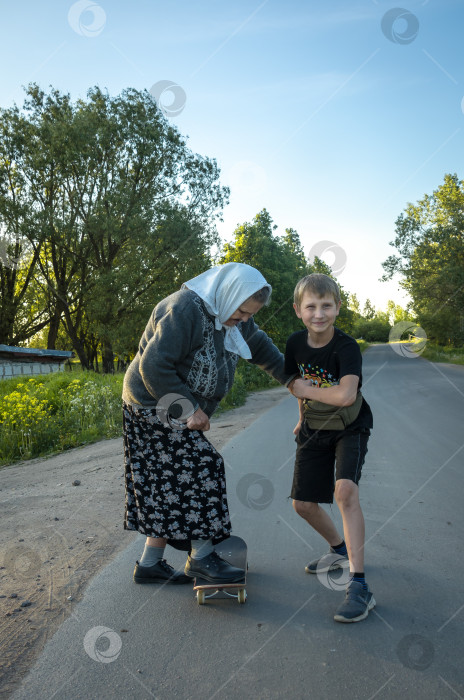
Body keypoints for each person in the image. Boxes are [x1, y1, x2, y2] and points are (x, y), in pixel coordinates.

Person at [122, 262, 293, 585]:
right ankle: (201, 558)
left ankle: (150, 563)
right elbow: (154, 366)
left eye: (247, 315)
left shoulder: (233, 313)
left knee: (168, 484)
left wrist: (292, 380)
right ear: (228, 294)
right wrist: (189, 409)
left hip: (173, 405)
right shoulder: (184, 308)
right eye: (240, 312)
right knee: (204, 467)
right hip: (151, 404)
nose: (242, 320)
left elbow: (257, 345)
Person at [286, 273, 375, 623]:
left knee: (345, 493)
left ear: (338, 307)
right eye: (311, 306)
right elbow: (294, 384)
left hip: (351, 426)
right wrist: (300, 414)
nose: (318, 313)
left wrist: (306, 392)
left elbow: (345, 395)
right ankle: (339, 549)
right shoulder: (295, 344)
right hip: (314, 426)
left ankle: (359, 584)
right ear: (298, 310)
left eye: (326, 305)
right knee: (303, 505)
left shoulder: (346, 347)